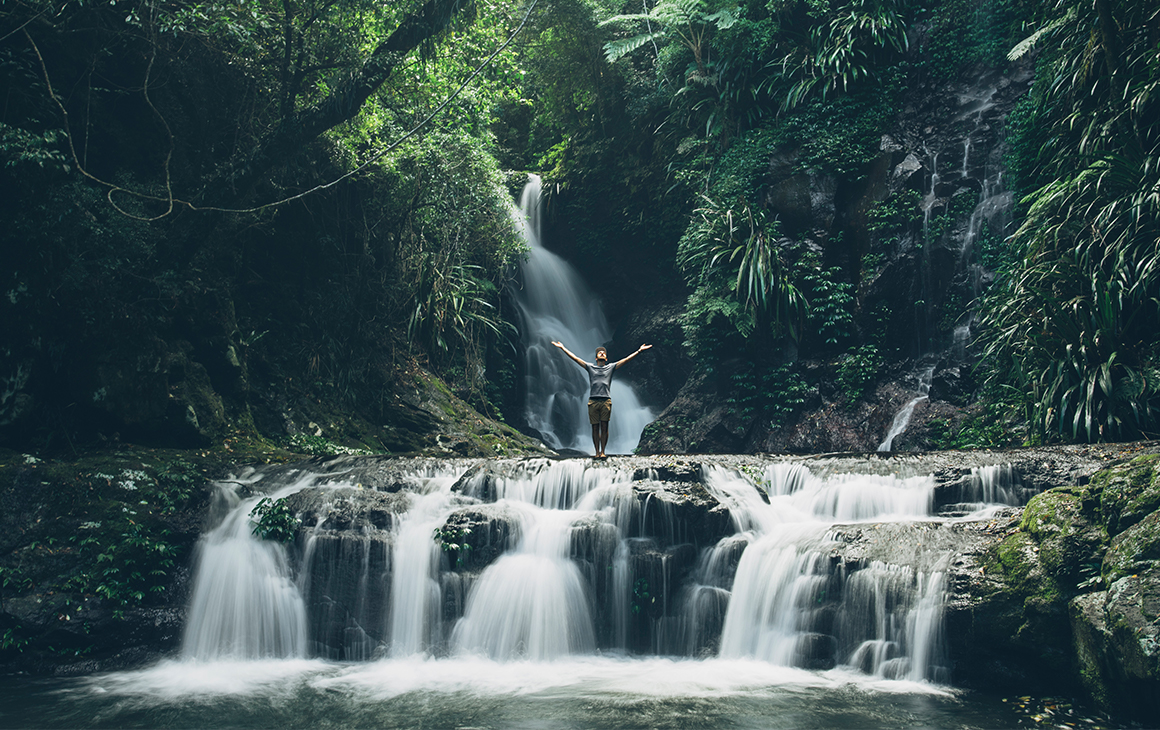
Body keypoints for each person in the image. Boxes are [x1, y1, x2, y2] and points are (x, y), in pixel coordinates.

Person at [551, 341, 652, 458]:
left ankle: (603, 451)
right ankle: (597, 452)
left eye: (604, 352)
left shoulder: (610, 367)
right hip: (593, 401)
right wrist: (563, 348)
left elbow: (626, 360)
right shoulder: (590, 367)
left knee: (604, 427)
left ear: (606, 358)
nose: (602, 353)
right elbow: (576, 359)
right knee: (595, 428)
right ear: (596, 358)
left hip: (605, 401)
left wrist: (639, 351)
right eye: (599, 352)